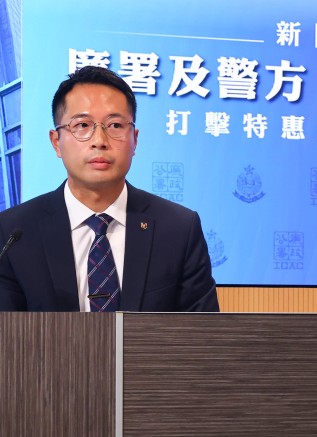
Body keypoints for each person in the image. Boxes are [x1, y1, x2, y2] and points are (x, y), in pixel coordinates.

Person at [0, 66, 219, 312]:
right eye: (82, 125)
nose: (99, 141)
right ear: (56, 142)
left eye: (115, 125)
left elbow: (201, 331)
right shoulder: (13, 234)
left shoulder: (178, 229)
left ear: (135, 140)